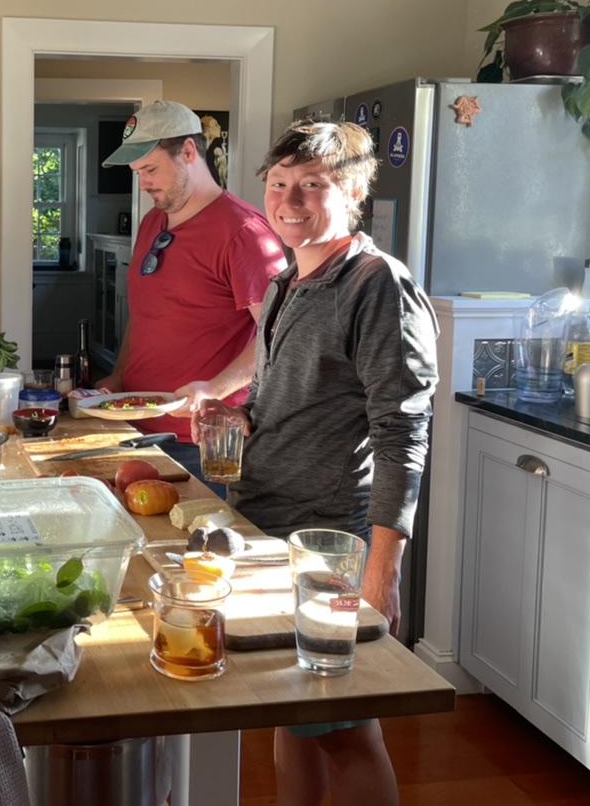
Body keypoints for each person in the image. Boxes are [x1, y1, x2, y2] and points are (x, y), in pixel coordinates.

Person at [193, 118, 438, 806]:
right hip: (271, 528)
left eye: (312, 185)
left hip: (332, 542)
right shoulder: (286, 284)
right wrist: (242, 417)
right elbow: (296, 397)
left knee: (346, 731)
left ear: (354, 191)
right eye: (278, 184)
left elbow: (402, 431)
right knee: (292, 712)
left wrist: (383, 569)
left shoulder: (376, 285)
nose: (289, 200)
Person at [97, 100, 286, 491]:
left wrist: (213, 390)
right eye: (137, 172)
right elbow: (145, 311)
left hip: (198, 444)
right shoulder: (153, 220)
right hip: (135, 430)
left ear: (188, 152)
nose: (143, 183)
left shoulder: (244, 232)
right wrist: (119, 376)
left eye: (150, 169)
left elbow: (280, 336)